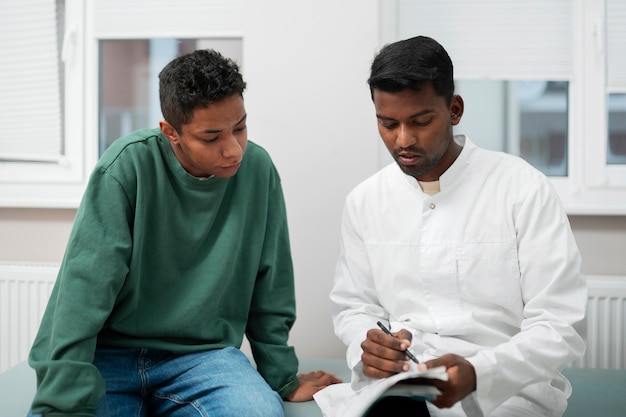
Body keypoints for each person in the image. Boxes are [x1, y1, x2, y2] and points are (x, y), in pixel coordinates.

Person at [27, 49, 340, 417]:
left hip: (203, 358)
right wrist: (64, 400)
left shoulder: (257, 170)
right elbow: (83, 291)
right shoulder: (127, 165)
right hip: (108, 356)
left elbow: (270, 285)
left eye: (239, 127)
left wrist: (282, 377)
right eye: (211, 138)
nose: (233, 149)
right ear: (170, 132)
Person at [325, 36, 587, 416]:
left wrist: (481, 373)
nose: (403, 140)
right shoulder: (365, 201)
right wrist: (368, 345)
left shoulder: (522, 188)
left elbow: (561, 324)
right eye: (388, 124)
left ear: (455, 109)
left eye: (420, 121)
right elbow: (354, 307)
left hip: (506, 389)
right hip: (401, 385)